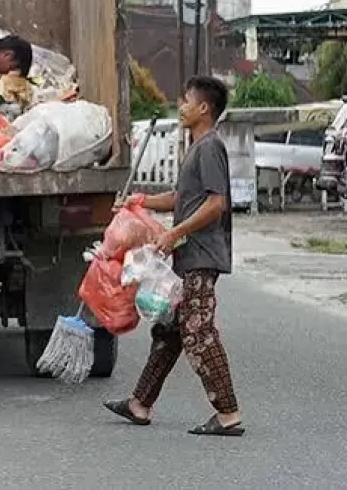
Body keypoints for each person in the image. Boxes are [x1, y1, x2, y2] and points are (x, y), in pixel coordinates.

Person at [104, 75, 244, 436]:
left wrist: (176, 232)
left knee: (199, 332)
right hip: (188, 255)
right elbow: (182, 199)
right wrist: (140, 200)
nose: (180, 106)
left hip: (201, 254)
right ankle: (140, 404)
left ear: (203, 108)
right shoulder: (195, 148)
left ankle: (228, 414)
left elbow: (216, 204)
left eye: (185, 100)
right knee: (169, 331)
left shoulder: (210, 147)